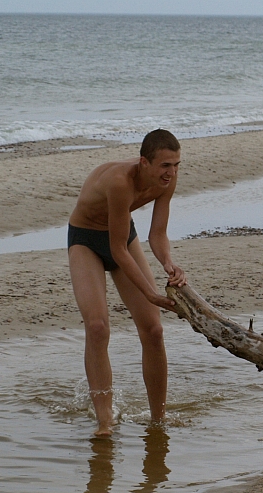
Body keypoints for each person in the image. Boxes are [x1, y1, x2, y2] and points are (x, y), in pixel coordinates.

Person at [68, 129, 187, 437]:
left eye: (176, 165)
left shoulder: (166, 182)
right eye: (165, 165)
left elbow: (157, 235)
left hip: (122, 234)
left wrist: (168, 263)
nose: (171, 172)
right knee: (97, 327)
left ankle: (158, 420)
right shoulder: (120, 181)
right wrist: (150, 293)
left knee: (154, 329)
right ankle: (104, 421)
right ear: (144, 162)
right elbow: (117, 250)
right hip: (86, 239)